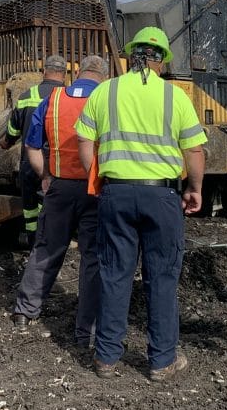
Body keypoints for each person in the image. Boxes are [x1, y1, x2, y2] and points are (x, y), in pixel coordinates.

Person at [76, 27, 206, 382]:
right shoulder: (174, 96)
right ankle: (162, 361)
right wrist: (194, 188)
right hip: (162, 197)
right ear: (161, 59)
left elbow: (84, 140)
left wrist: (98, 178)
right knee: (161, 278)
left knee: (115, 274)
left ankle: (106, 357)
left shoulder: (105, 90)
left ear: (131, 56)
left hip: (116, 193)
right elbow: (194, 150)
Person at [11, 55, 110, 346]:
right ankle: (86, 329)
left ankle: (25, 311)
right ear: (102, 76)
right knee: (92, 257)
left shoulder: (52, 100)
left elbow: (31, 145)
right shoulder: (107, 98)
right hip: (96, 189)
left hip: (59, 186)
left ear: (77, 71)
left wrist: (46, 175)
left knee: (46, 247)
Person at [0, 55, 68, 245]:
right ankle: (51, 244)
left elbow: (13, 129)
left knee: (30, 209)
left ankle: (33, 244)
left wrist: (6, 142)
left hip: (29, 162)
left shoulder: (26, 97)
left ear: (44, 72)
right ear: (64, 75)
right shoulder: (69, 96)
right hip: (58, 164)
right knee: (53, 206)